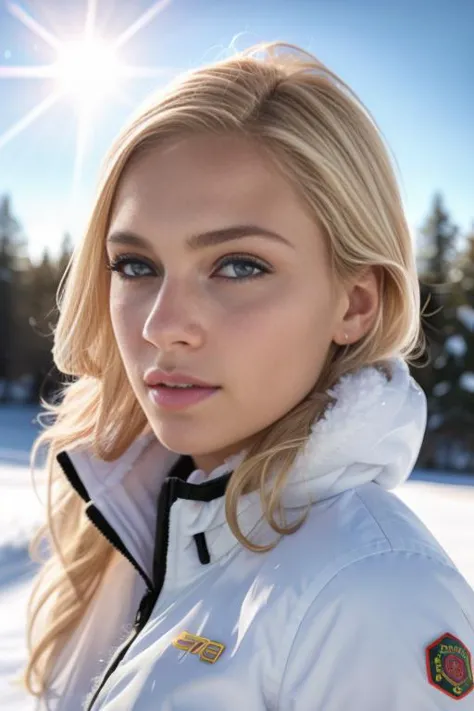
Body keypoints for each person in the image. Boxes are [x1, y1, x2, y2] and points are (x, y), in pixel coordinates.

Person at [22, 41, 474, 710]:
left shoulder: (374, 595)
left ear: (354, 302)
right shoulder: (134, 526)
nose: (161, 325)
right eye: (136, 266)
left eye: (238, 265)